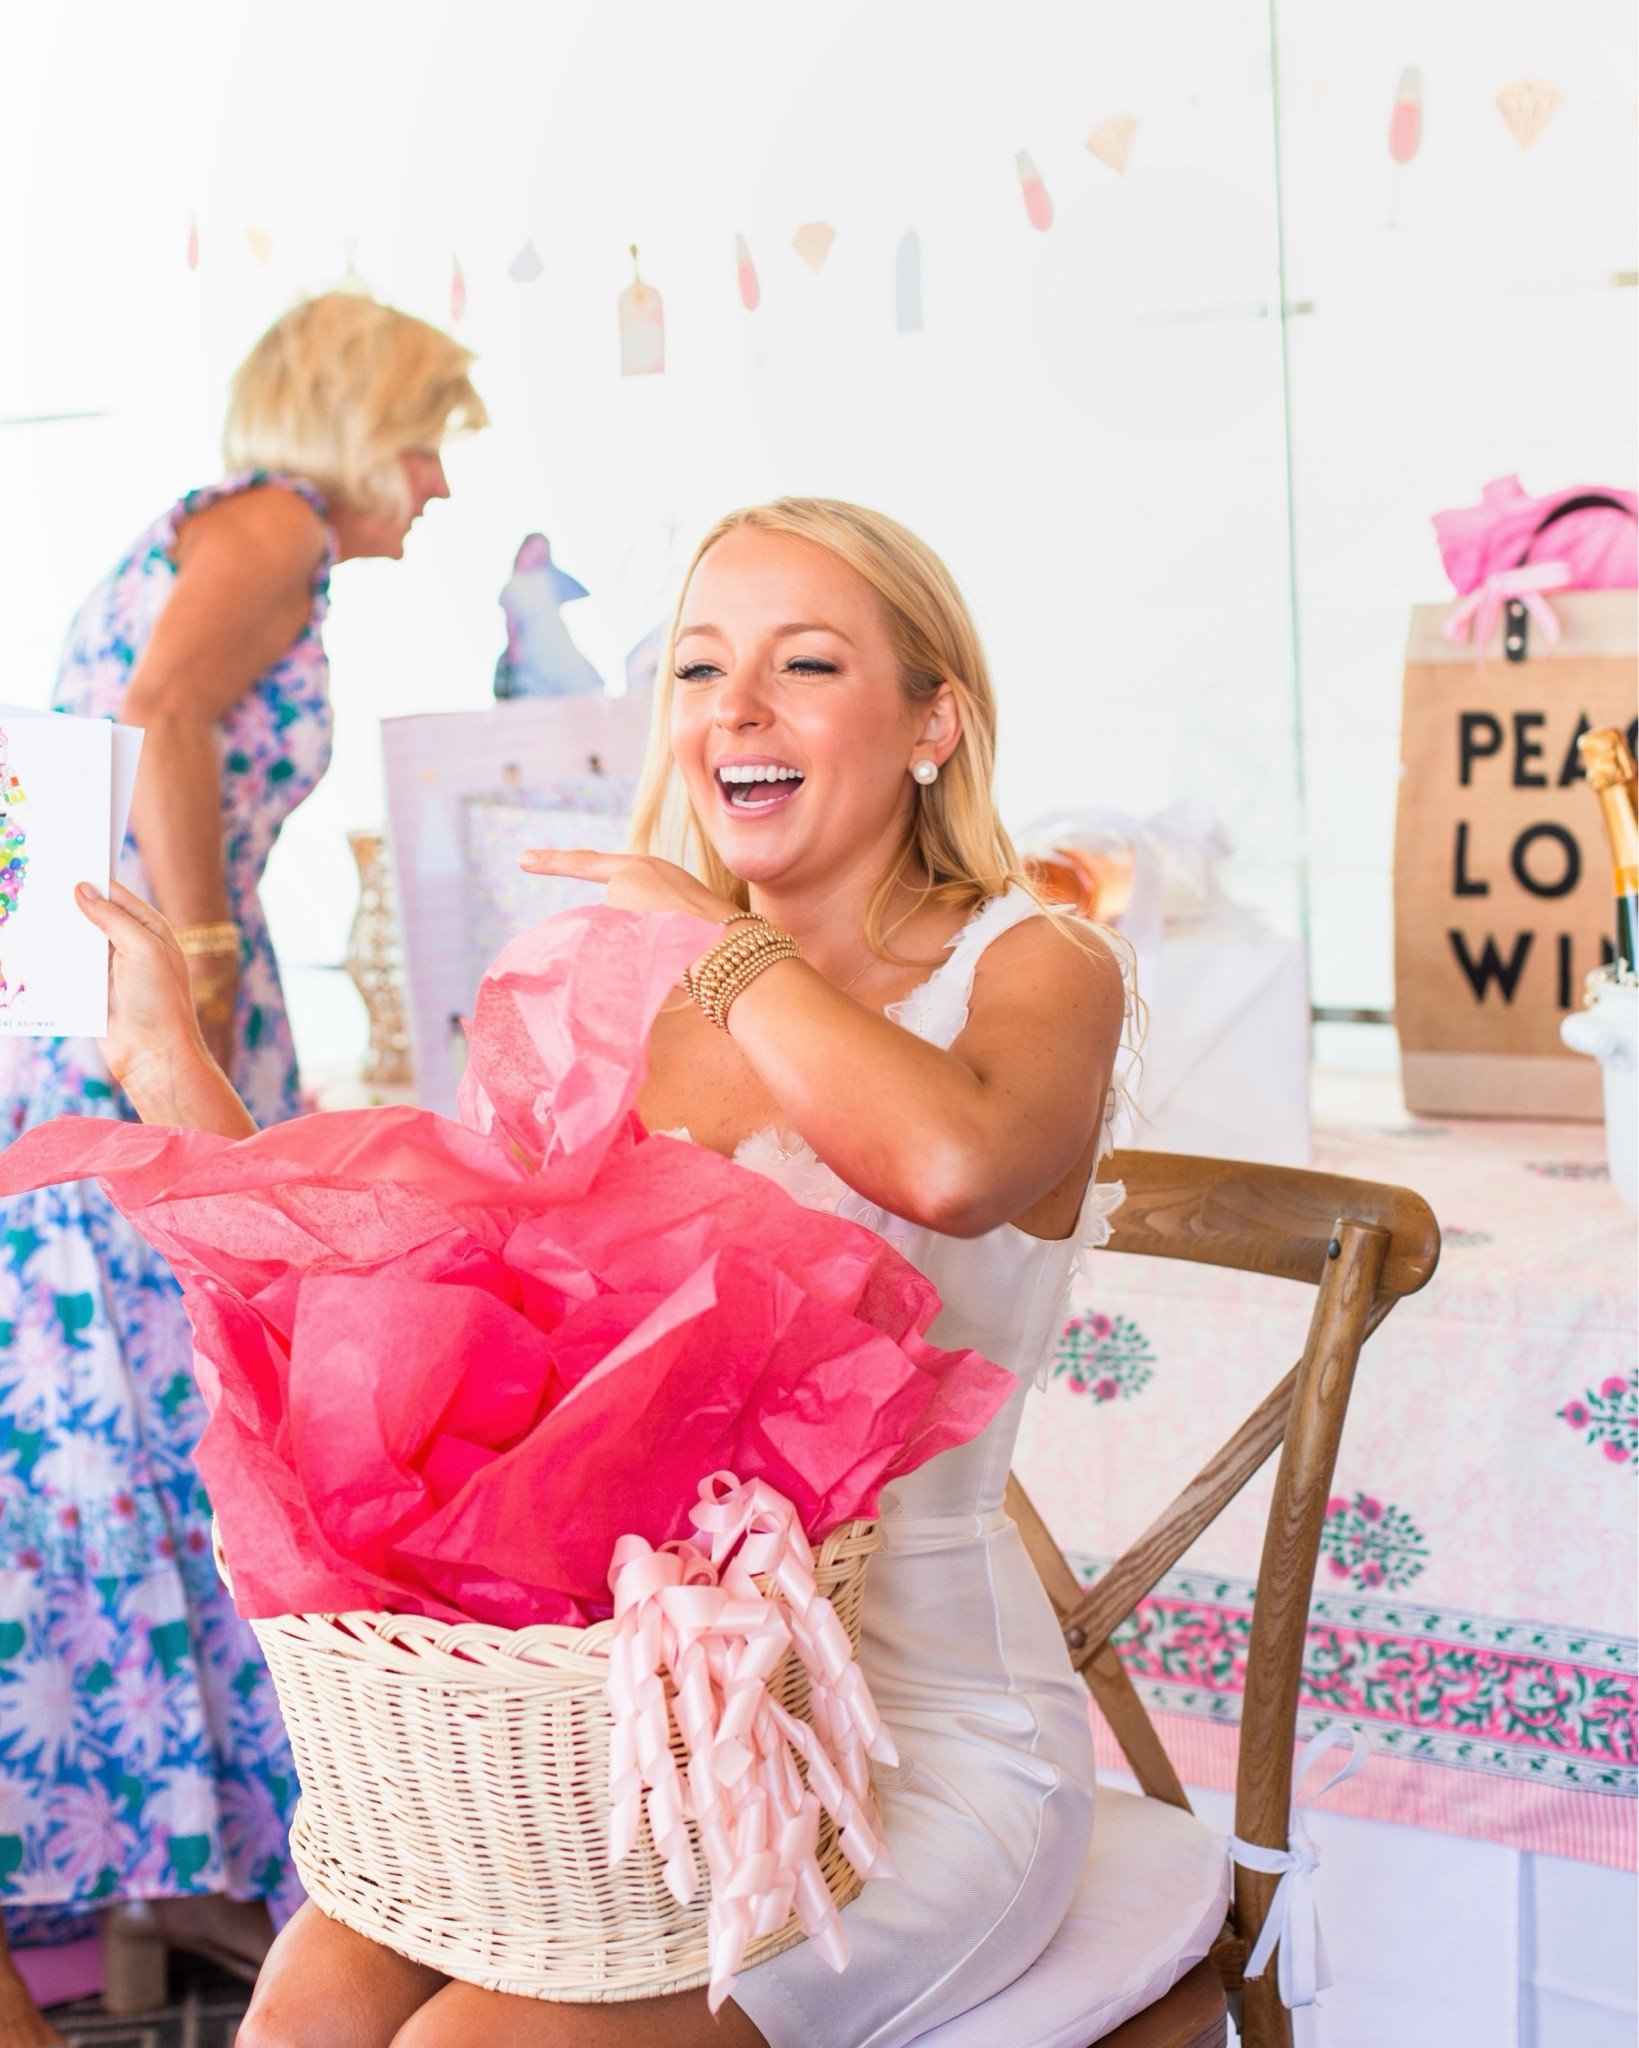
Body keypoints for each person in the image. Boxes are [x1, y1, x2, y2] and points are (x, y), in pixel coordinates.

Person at [77, 497, 1128, 2048]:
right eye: (698, 670)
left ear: (932, 723)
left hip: (920, 1752)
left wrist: (722, 942)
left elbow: (952, 1170)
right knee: (305, 2006)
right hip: (617, 1736)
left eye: (807, 665)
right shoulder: (627, 1001)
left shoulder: (1035, 964)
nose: (737, 711)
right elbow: (401, 1312)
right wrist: (168, 1060)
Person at [0, 292, 486, 2043]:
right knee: (224, 1416)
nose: (434, 486)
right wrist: (200, 965)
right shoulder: (274, 524)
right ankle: (308, 1867)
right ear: (357, 423)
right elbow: (162, 718)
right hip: (145, 997)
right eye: (426, 438)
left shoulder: (223, 530)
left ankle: (208, 1851)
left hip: (89, 992)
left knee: (144, 1422)